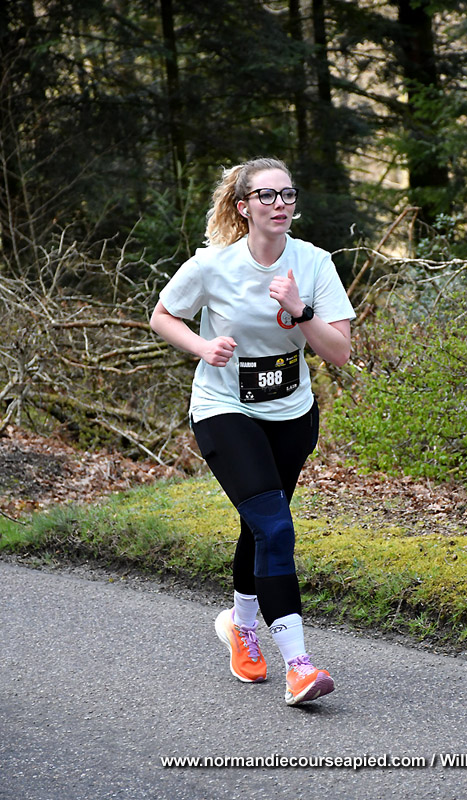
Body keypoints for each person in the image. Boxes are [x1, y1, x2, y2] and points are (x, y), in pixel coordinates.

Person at [150, 156, 354, 706]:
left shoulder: (314, 263)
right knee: (276, 528)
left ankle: (241, 627)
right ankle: (300, 667)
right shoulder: (213, 265)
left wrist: (300, 309)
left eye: (287, 194)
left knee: (262, 526)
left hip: (292, 415)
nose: (279, 204)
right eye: (267, 195)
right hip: (224, 408)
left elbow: (339, 352)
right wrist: (201, 346)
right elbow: (162, 315)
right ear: (244, 207)